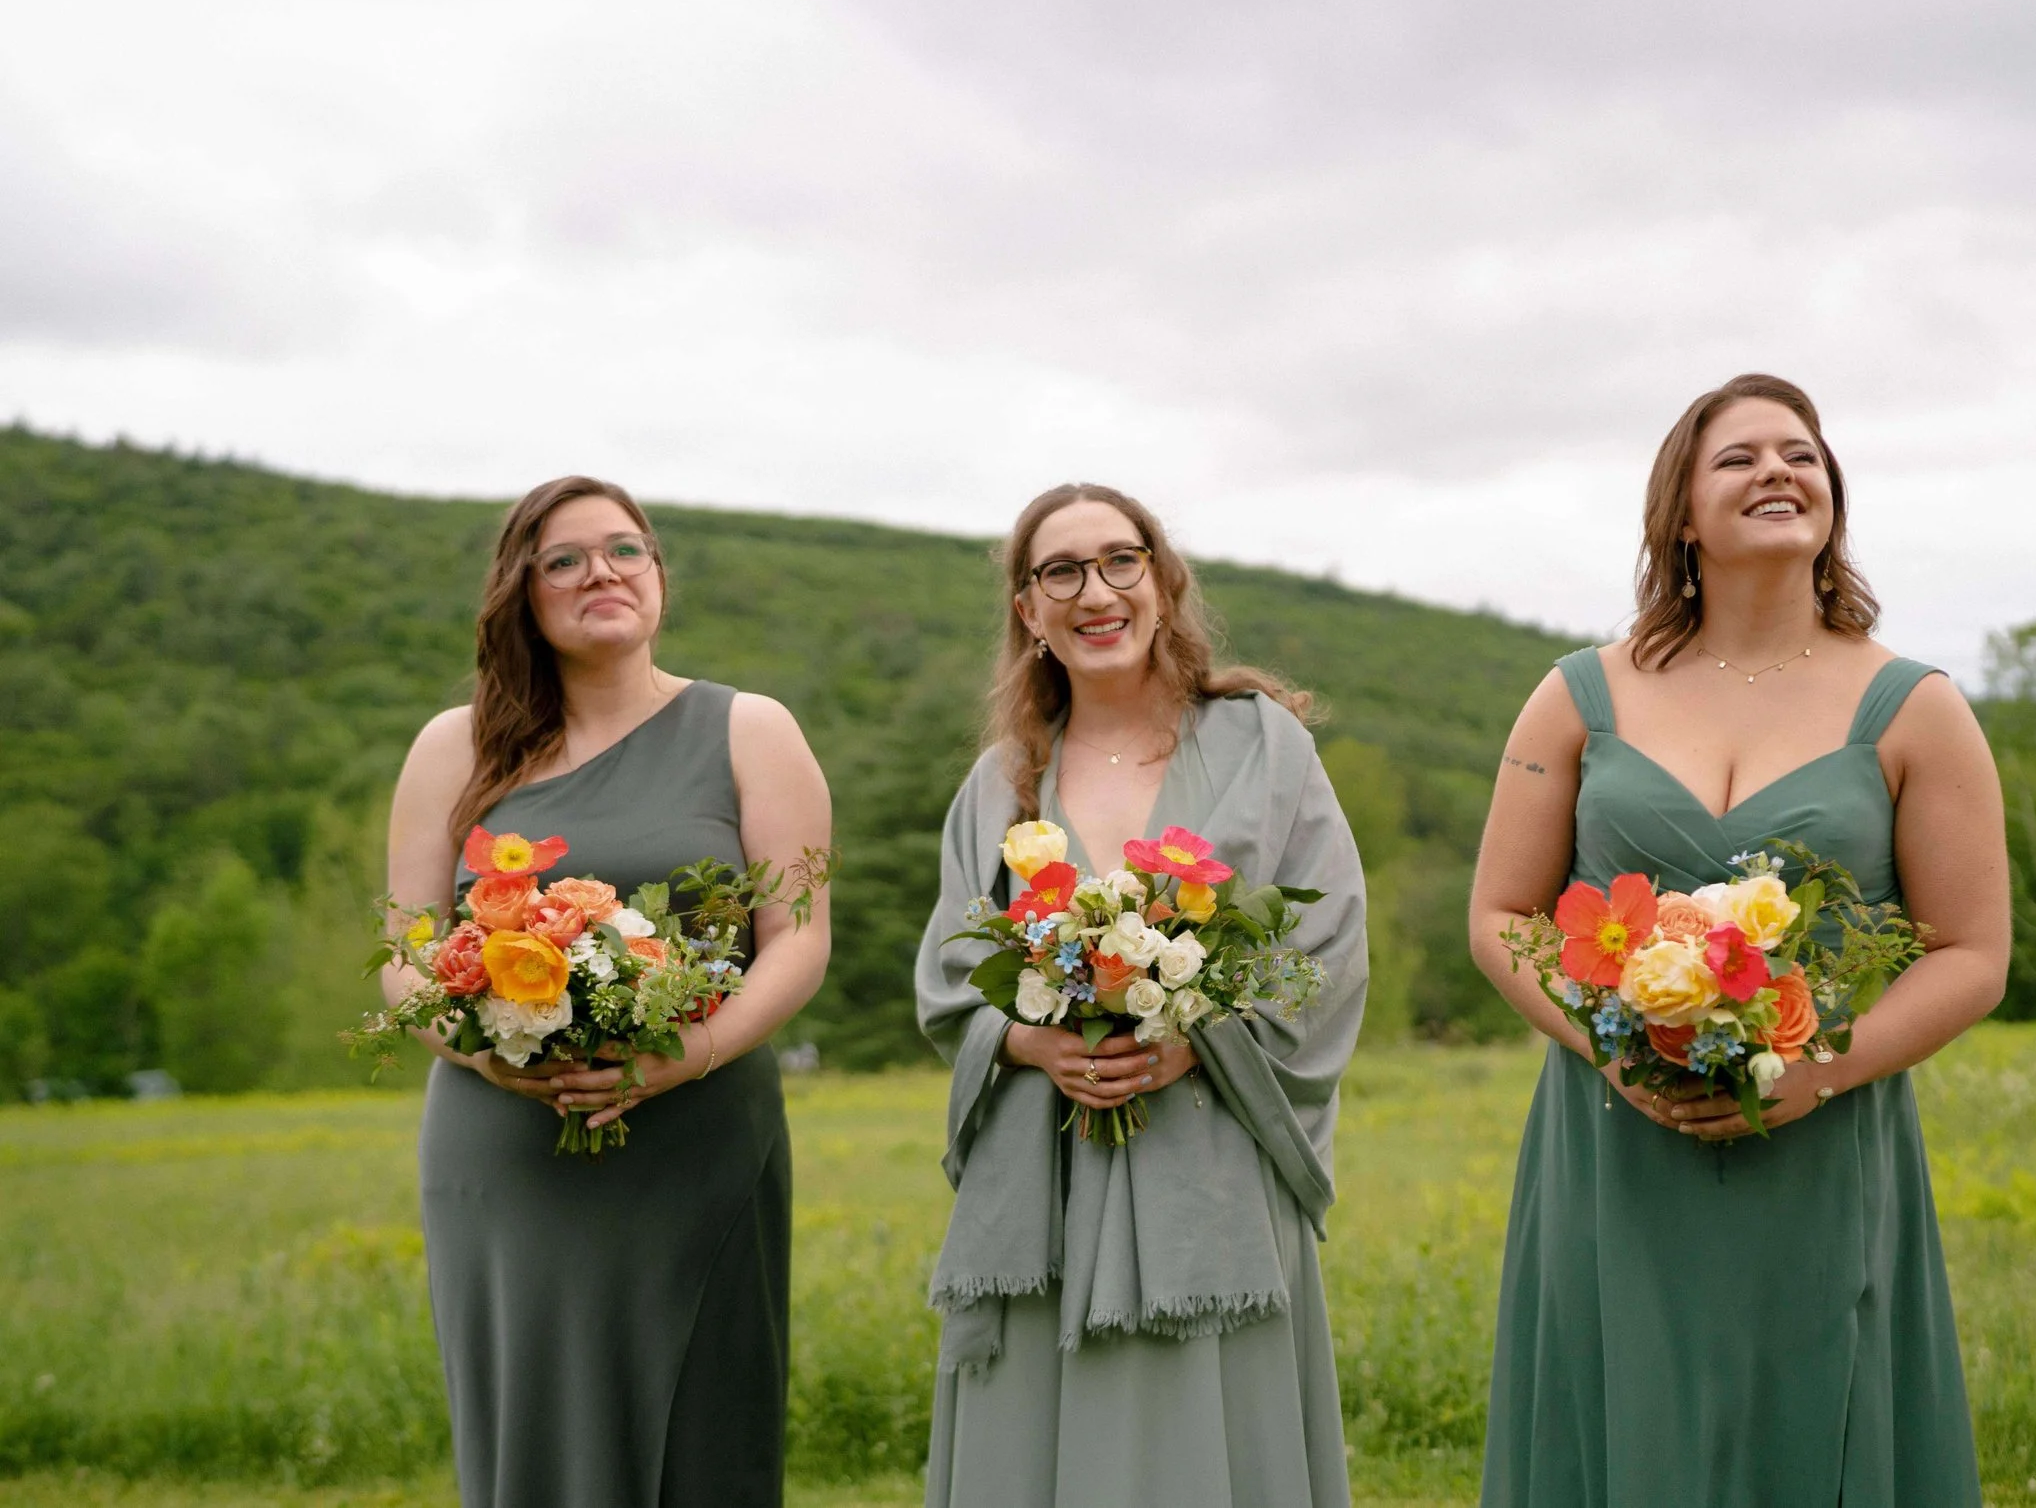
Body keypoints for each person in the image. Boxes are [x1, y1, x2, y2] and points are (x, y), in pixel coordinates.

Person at [1469, 373, 2010, 1506]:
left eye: (1800, 452)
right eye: (1739, 457)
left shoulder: (1914, 707)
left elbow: (1970, 951)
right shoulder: (1576, 696)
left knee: (1814, 1409)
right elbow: (1501, 914)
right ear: (1680, 511)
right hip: (1614, 1137)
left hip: (1817, 1141)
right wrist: (1614, 1044)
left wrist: (1817, 1068)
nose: (1777, 469)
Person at [381, 475, 832, 1508]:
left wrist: (686, 1054)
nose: (604, 573)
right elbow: (401, 947)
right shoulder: (453, 746)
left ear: (658, 572)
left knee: (706, 1423)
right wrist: (484, 1050)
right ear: (522, 592)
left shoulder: (752, 729)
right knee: (534, 1424)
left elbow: (798, 943)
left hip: (700, 1131)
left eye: (626, 549)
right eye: (567, 558)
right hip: (505, 1141)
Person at [914, 483, 1367, 1508]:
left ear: (1163, 583)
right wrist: (1032, 1046)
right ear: (1028, 611)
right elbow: (948, 972)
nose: (1096, 590)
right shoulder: (1001, 783)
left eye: (1120, 560)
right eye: (1060, 571)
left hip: (1210, 1141)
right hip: (1044, 1168)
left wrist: (1197, 1042)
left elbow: (1327, 943)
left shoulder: (1262, 745)